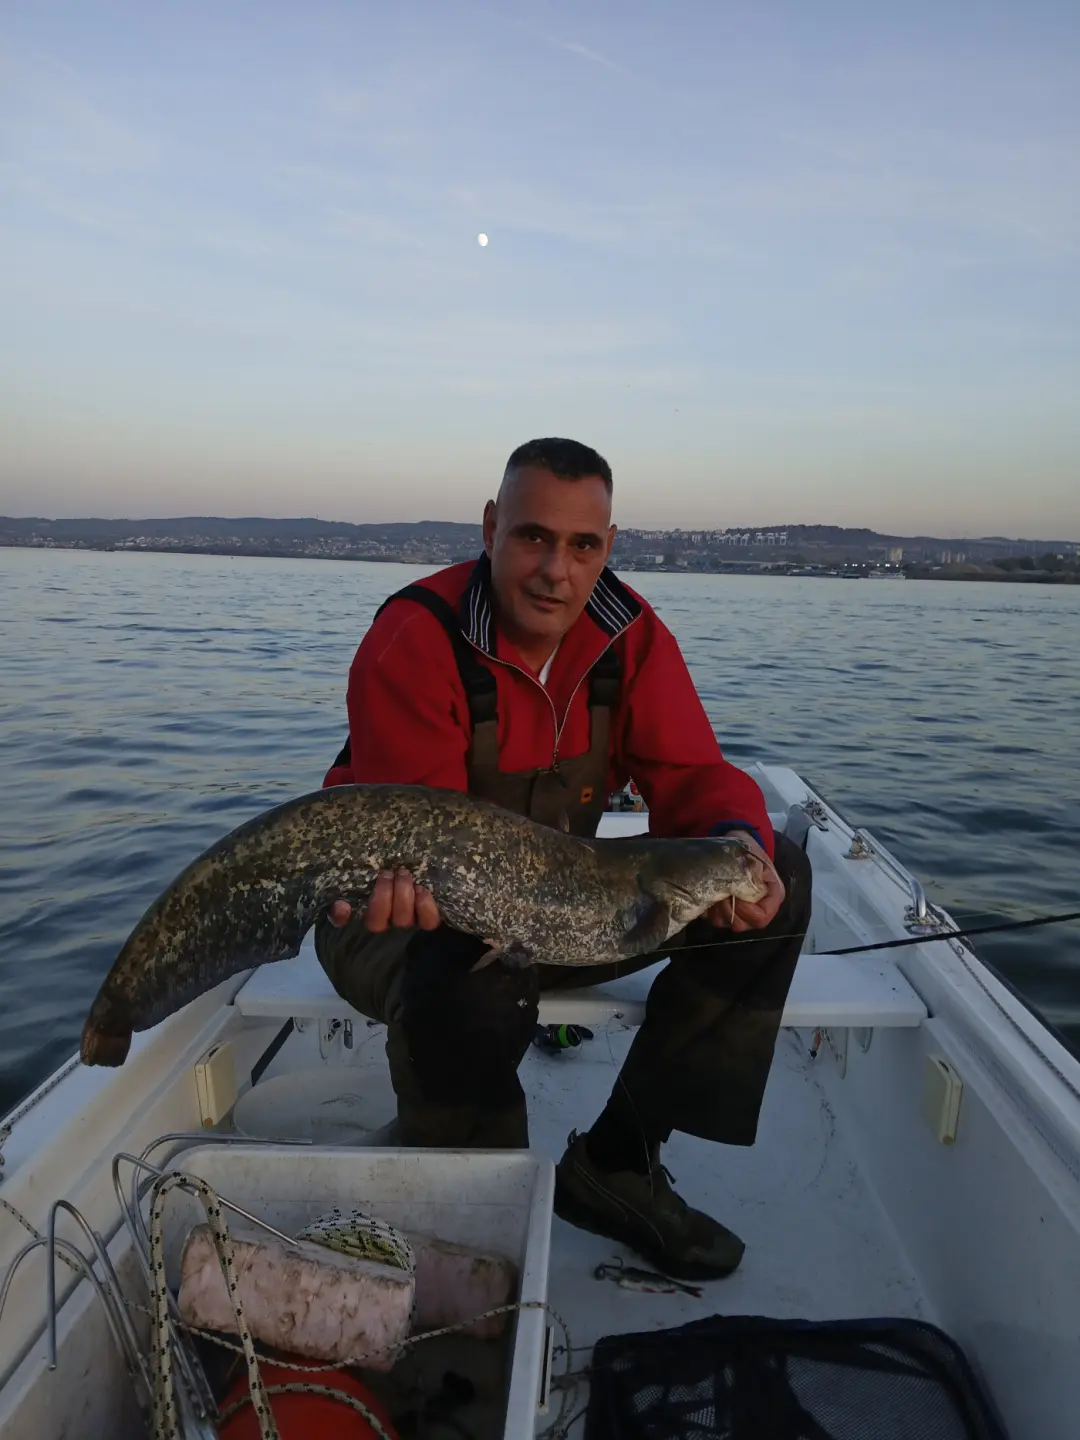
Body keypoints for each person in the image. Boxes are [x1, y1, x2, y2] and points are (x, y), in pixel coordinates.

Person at [315, 438, 812, 1281]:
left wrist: (742, 845)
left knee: (782, 882)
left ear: (607, 547)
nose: (557, 570)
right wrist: (414, 905)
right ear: (490, 529)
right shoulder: (415, 636)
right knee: (467, 981)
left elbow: (694, 774)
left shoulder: (630, 635)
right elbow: (418, 836)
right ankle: (474, 1217)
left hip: (558, 912)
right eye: (534, 538)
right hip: (392, 913)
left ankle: (619, 1163)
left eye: (583, 546)